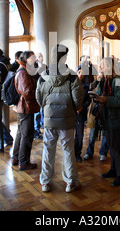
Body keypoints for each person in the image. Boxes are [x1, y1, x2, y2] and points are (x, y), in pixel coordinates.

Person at [36, 44, 83, 193]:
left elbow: (39, 97)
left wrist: (47, 107)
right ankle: (71, 182)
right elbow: (78, 98)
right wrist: (73, 108)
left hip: (50, 119)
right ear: (64, 57)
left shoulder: (44, 75)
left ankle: (45, 182)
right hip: (67, 118)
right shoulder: (71, 75)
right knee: (68, 150)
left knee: (48, 150)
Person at [94, 57, 120, 187]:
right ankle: (113, 170)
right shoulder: (105, 80)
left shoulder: (118, 80)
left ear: (109, 67)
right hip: (107, 118)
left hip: (116, 118)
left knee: (116, 147)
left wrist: (106, 100)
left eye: (102, 66)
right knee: (111, 145)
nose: (100, 68)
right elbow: (99, 94)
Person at [12, 51, 40, 170]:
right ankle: (23, 162)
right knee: (27, 135)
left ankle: (16, 157)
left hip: (24, 107)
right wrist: (39, 94)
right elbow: (27, 92)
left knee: (21, 133)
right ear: (26, 59)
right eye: (32, 57)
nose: (35, 59)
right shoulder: (23, 72)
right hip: (25, 107)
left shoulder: (25, 70)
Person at [74, 66, 91, 162]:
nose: (80, 75)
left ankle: (77, 153)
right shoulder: (71, 84)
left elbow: (88, 100)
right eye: (79, 72)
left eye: (82, 73)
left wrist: (82, 107)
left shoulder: (86, 86)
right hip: (71, 112)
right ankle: (70, 153)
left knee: (79, 134)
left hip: (80, 112)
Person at [33, 52, 47, 140]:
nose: (40, 58)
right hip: (38, 91)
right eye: (39, 57)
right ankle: (36, 130)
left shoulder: (46, 66)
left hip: (45, 91)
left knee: (43, 110)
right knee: (37, 112)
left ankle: (43, 126)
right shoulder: (34, 68)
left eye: (41, 56)